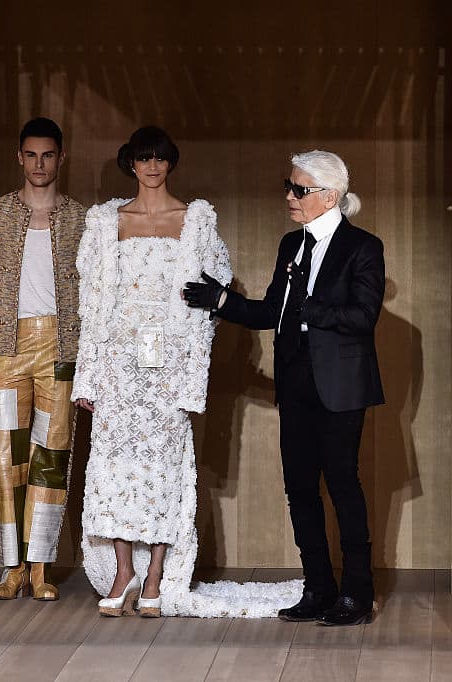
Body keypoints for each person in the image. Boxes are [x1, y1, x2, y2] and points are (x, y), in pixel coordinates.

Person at [72, 126, 301, 618]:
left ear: (171, 163)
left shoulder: (195, 221)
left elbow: (211, 300)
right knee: (114, 468)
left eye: (160, 158)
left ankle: (156, 574)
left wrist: (191, 370)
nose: (152, 167)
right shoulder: (106, 221)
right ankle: (123, 572)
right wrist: (87, 376)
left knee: (164, 469)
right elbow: (90, 303)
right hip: (117, 363)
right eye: (143, 158)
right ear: (131, 163)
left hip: (168, 363)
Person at [184, 150, 385, 626]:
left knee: (343, 485)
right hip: (295, 384)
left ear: (330, 196)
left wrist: (309, 308)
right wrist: (222, 300)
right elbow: (272, 311)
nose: (290, 197)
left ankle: (357, 594)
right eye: (289, 187)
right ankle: (317, 588)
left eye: (300, 189)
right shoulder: (290, 245)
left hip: (340, 387)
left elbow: (363, 316)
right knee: (299, 488)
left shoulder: (363, 247)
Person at [0, 117, 86, 600]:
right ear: (19, 157)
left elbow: (94, 295)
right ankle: (11, 567)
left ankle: (39, 568)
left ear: (61, 158)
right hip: (6, 348)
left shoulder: (80, 219)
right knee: (4, 456)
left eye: (48, 155)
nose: (39, 164)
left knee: (51, 457)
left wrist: (91, 364)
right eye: (31, 155)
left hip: (60, 348)